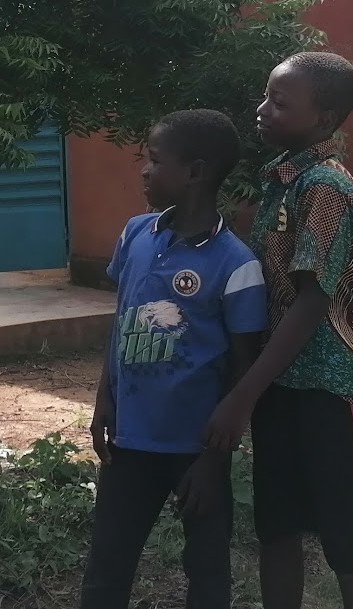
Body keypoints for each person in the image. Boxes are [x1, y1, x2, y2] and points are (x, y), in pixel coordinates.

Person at [204, 51, 353, 609]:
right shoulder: (284, 181)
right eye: (266, 96)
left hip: (330, 390)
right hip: (281, 384)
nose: (262, 109)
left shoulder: (326, 188)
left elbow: (312, 301)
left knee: (351, 546)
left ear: (324, 118)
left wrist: (243, 394)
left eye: (280, 103)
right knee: (278, 527)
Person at [82, 110, 266, 609]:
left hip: (195, 450)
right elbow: (122, 320)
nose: (144, 170)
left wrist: (213, 460)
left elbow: (242, 368)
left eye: (156, 160)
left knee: (206, 572)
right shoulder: (135, 235)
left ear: (196, 172)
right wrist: (104, 400)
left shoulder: (236, 264)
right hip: (130, 443)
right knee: (106, 569)